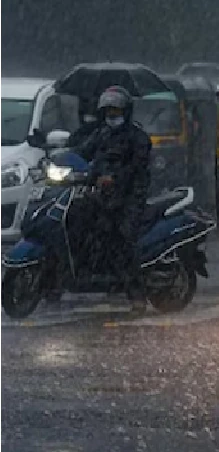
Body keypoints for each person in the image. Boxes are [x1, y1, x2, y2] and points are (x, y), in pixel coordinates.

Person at [75, 86, 152, 313]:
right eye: (108, 111)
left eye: (116, 111)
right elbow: (81, 152)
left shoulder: (138, 138)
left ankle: (136, 293)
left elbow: (136, 168)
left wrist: (114, 178)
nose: (112, 115)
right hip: (102, 195)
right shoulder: (101, 134)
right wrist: (56, 155)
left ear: (126, 112)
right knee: (78, 219)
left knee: (123, 238)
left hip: (129, 197)